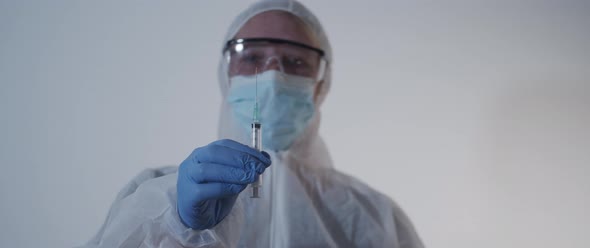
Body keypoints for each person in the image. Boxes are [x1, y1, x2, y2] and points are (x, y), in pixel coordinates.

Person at [81, 0, 424, 247]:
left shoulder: (373, 216)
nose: (273, 75)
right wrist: (178, 228)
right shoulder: (154, 196)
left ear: (321, 85)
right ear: (226, 75)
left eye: (294, 61)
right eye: (252, 57)